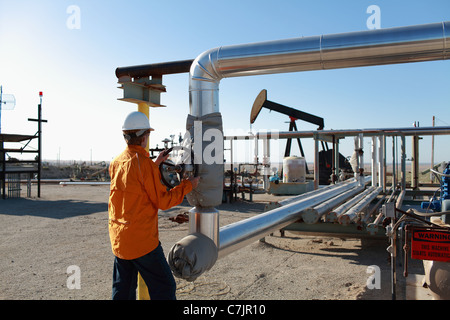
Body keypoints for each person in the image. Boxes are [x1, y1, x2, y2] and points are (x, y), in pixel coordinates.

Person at [108, 111, 200, 300]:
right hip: (142, 241)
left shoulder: (116, 162)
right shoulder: (144, 166)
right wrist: (188, 185)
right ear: (145, 137)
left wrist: (155, 163)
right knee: (165, 287)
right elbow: (163, 201)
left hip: (120, 240)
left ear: (126, 136)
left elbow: (133, 183)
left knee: (123, 291)